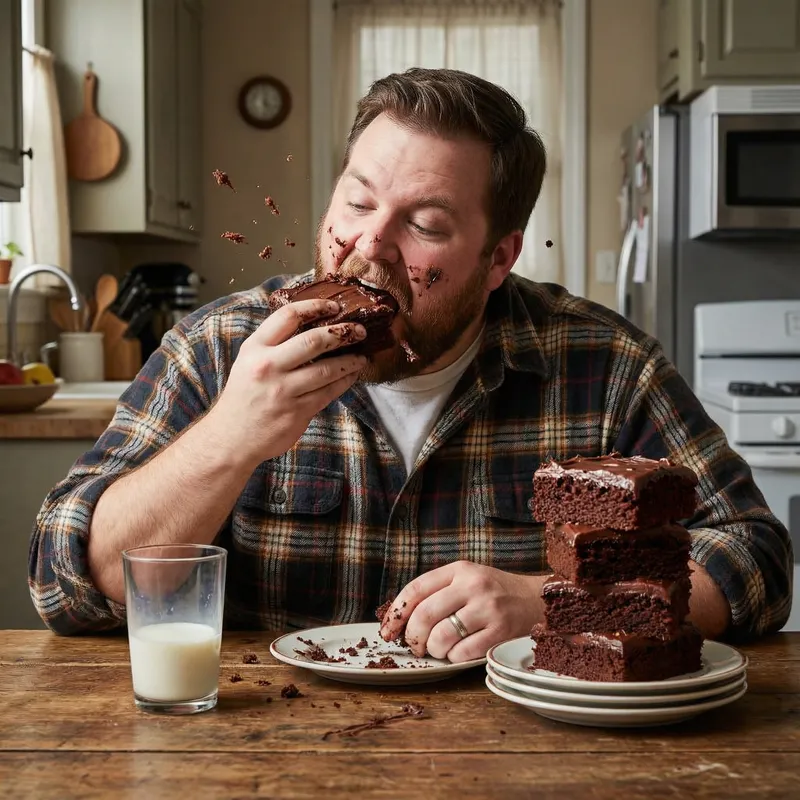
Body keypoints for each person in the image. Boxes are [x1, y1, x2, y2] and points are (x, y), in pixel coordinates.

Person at [30, 68, 792, 658]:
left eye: (423, 224)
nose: (368, 246)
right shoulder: (217, 348)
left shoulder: (603, 364)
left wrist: (554, 600)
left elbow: (755, 559)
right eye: (357, 203)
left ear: (498, 258)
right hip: (261, 755)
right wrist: (231, 435)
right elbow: (63, 579)